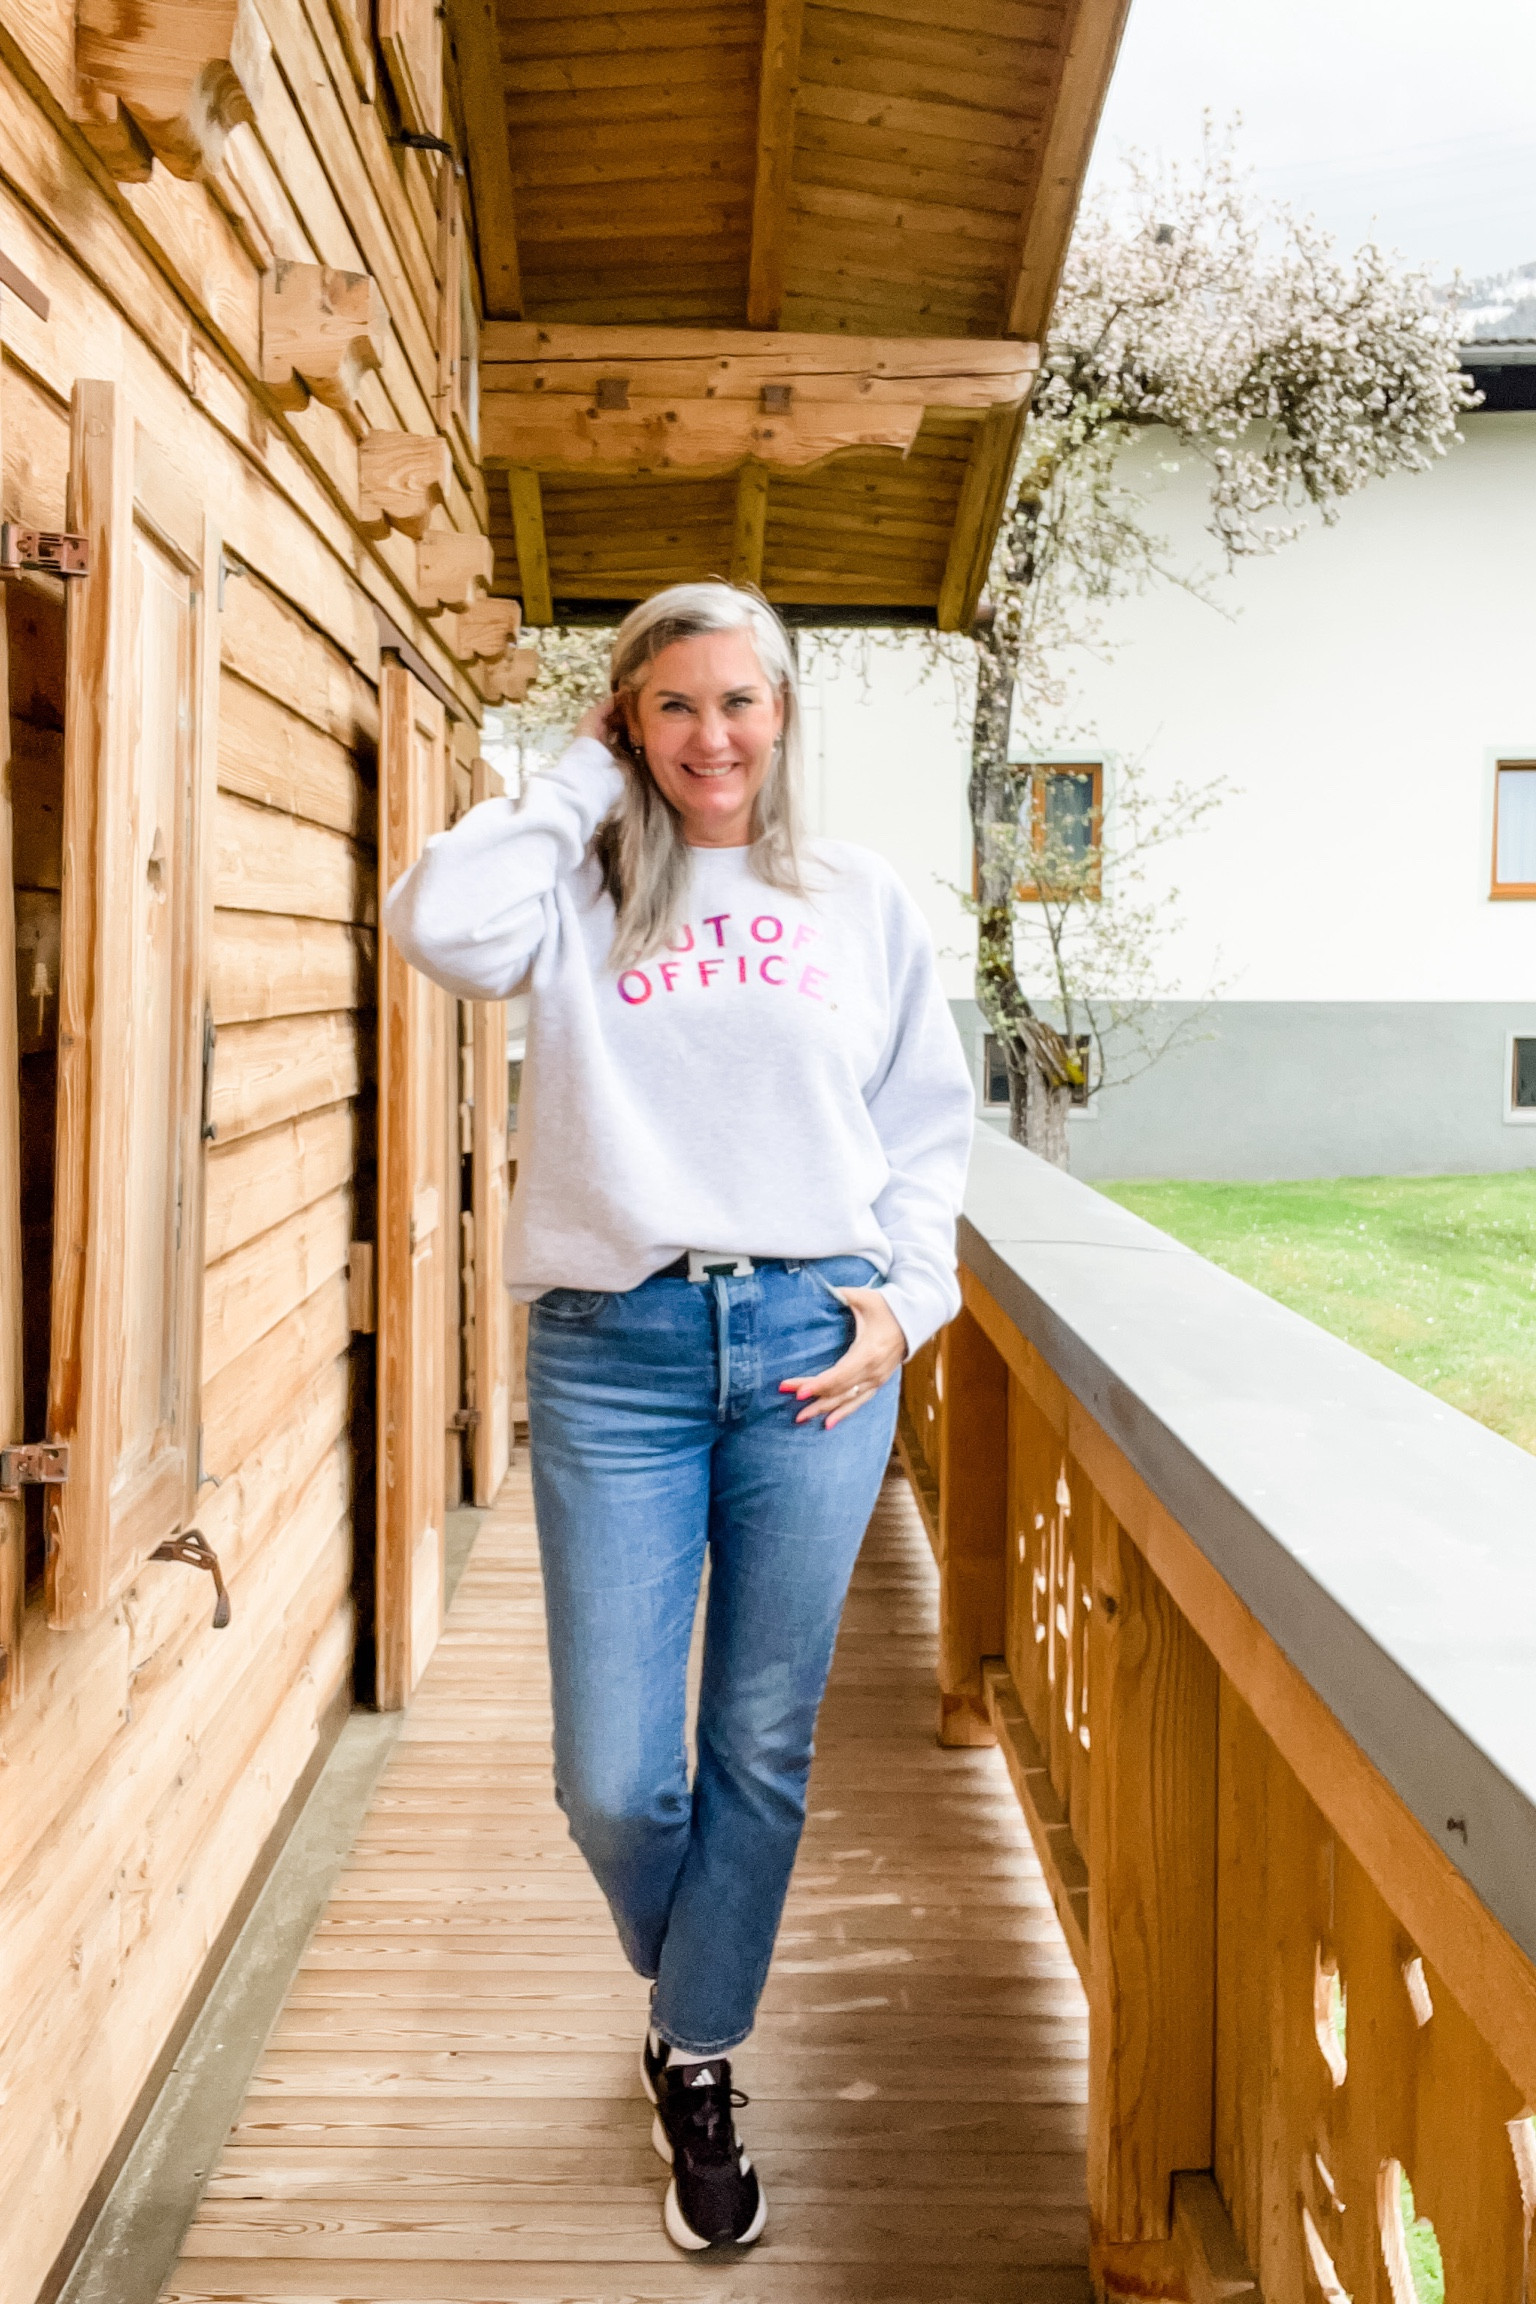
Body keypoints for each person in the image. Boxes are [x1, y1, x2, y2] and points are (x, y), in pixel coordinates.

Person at [383, 581, 975, 2250]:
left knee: (761, 1745)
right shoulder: (572, 887)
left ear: (784, 714)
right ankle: (699, 1969)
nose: (713, 736)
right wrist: (575, 779)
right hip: (616, 1350)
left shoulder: (858, 898)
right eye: (673, 706)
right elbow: (435, 924)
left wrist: (910, 1304)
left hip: (813, 1351)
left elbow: (927, 1127)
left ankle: (697, 2052)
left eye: (741, 701)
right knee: (614, 1781)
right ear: (627, 721)